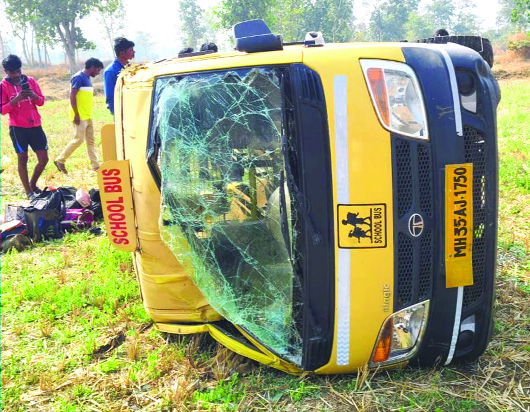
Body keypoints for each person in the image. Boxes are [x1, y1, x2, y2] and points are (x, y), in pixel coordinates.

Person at [1, 54, 48, 199]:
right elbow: (2, 110)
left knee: (43, 159)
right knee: (22, 159)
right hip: (17, 128)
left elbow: (41, 101)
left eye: (19, 71)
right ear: (6, 71)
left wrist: (33, 95)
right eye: (13, 72)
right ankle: (28, 192)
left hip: (35, 125)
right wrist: (15, 100)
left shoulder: (31, 81)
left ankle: (33, 184)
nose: (17, 75)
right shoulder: (3, 86)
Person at [54, 58, 104, 174]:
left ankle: (95, 166)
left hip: (87, 115)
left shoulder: (87, 79)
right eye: (97, 70)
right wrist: (76, 113)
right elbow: (72, 95)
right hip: (80, 116)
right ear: (92, 67)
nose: (98, 73)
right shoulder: (78, 77)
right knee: (78, 139)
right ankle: (60, 160)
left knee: (90, 141)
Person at [104, 37, 135, 115]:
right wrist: (118, 116)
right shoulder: (111, 71)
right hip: (122, 113)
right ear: (122, 53)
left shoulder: (131, 68)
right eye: (131, 50)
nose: (134, 52)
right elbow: (110, 97)